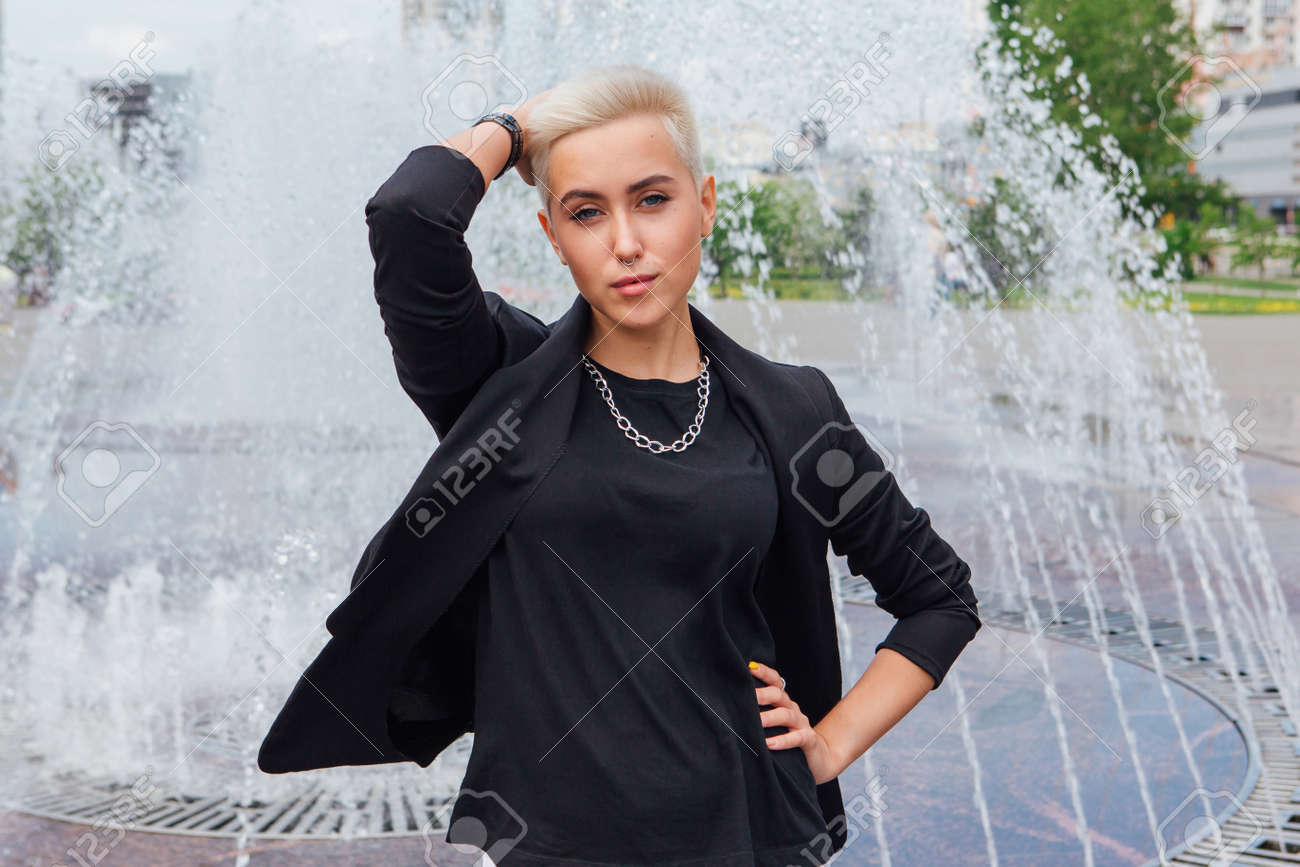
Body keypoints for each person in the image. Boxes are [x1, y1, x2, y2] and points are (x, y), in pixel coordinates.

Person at [257, 64, 981, 866]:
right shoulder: (501, 385)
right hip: (550, 841)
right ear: (552, 237)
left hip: (748, 833)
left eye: (653, 199)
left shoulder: (792, 408)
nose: (627, 243)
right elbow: (408, 214)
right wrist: (515, 128)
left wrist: (832, 740)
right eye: (586, 212)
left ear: (704, 206)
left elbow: (940, 598)